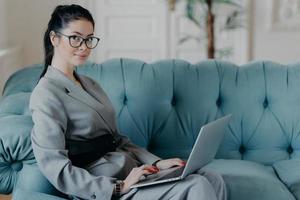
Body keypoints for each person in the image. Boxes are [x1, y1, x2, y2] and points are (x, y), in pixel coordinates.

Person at [29, 4, 227, 200]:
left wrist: (157, 163)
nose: (84, 46)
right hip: (107, 185)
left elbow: (118, 139)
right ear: (54, 38)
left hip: (130, 171)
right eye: (75, 38)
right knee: (197, 185)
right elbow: (55, 166)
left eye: (89, 39)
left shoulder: (90, 84)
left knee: (212, 177)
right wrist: (118, 187)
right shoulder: (46, 94)